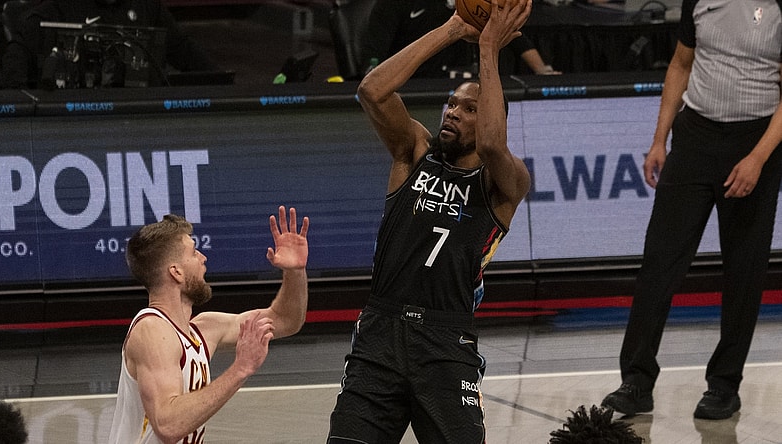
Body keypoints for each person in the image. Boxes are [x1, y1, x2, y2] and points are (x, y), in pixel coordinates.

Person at [327, 0, 532, 442]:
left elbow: (494, 144)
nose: (453, 111)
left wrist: (490, 49)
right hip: (380, 333)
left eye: (468, 108)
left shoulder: (503, 184)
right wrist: (454, 27)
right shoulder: (414, 152)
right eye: (451, 103)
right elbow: (372, 91)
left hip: (445, 340)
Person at [601, 0, 782, 421]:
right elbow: (681, 65)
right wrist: (659, 139)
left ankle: (724, 385)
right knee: (659, 262)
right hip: (695, 136)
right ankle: (637, 381)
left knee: (744, 269)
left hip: (757, 140)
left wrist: (757, 159)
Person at [108, 205, 309, 443]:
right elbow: (168, 424)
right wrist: (240, 368)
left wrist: (295, 272)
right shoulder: (151, 330)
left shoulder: (203, 328)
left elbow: (286, 320)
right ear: (176, 272)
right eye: (194, 253)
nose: (203, 258)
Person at [0, 0, 218, 89]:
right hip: (74, 119)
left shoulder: (145, 6)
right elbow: (17, 56)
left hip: (140, 117)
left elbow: (184, 51)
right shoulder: (58, 8)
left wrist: (223, 85)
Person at [361, 0, 559, 79]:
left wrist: (541, 69)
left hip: (462, 81)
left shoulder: (473, 2)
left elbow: (509, 32)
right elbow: (373, 56)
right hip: (415, 83)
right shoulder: (391, 4)